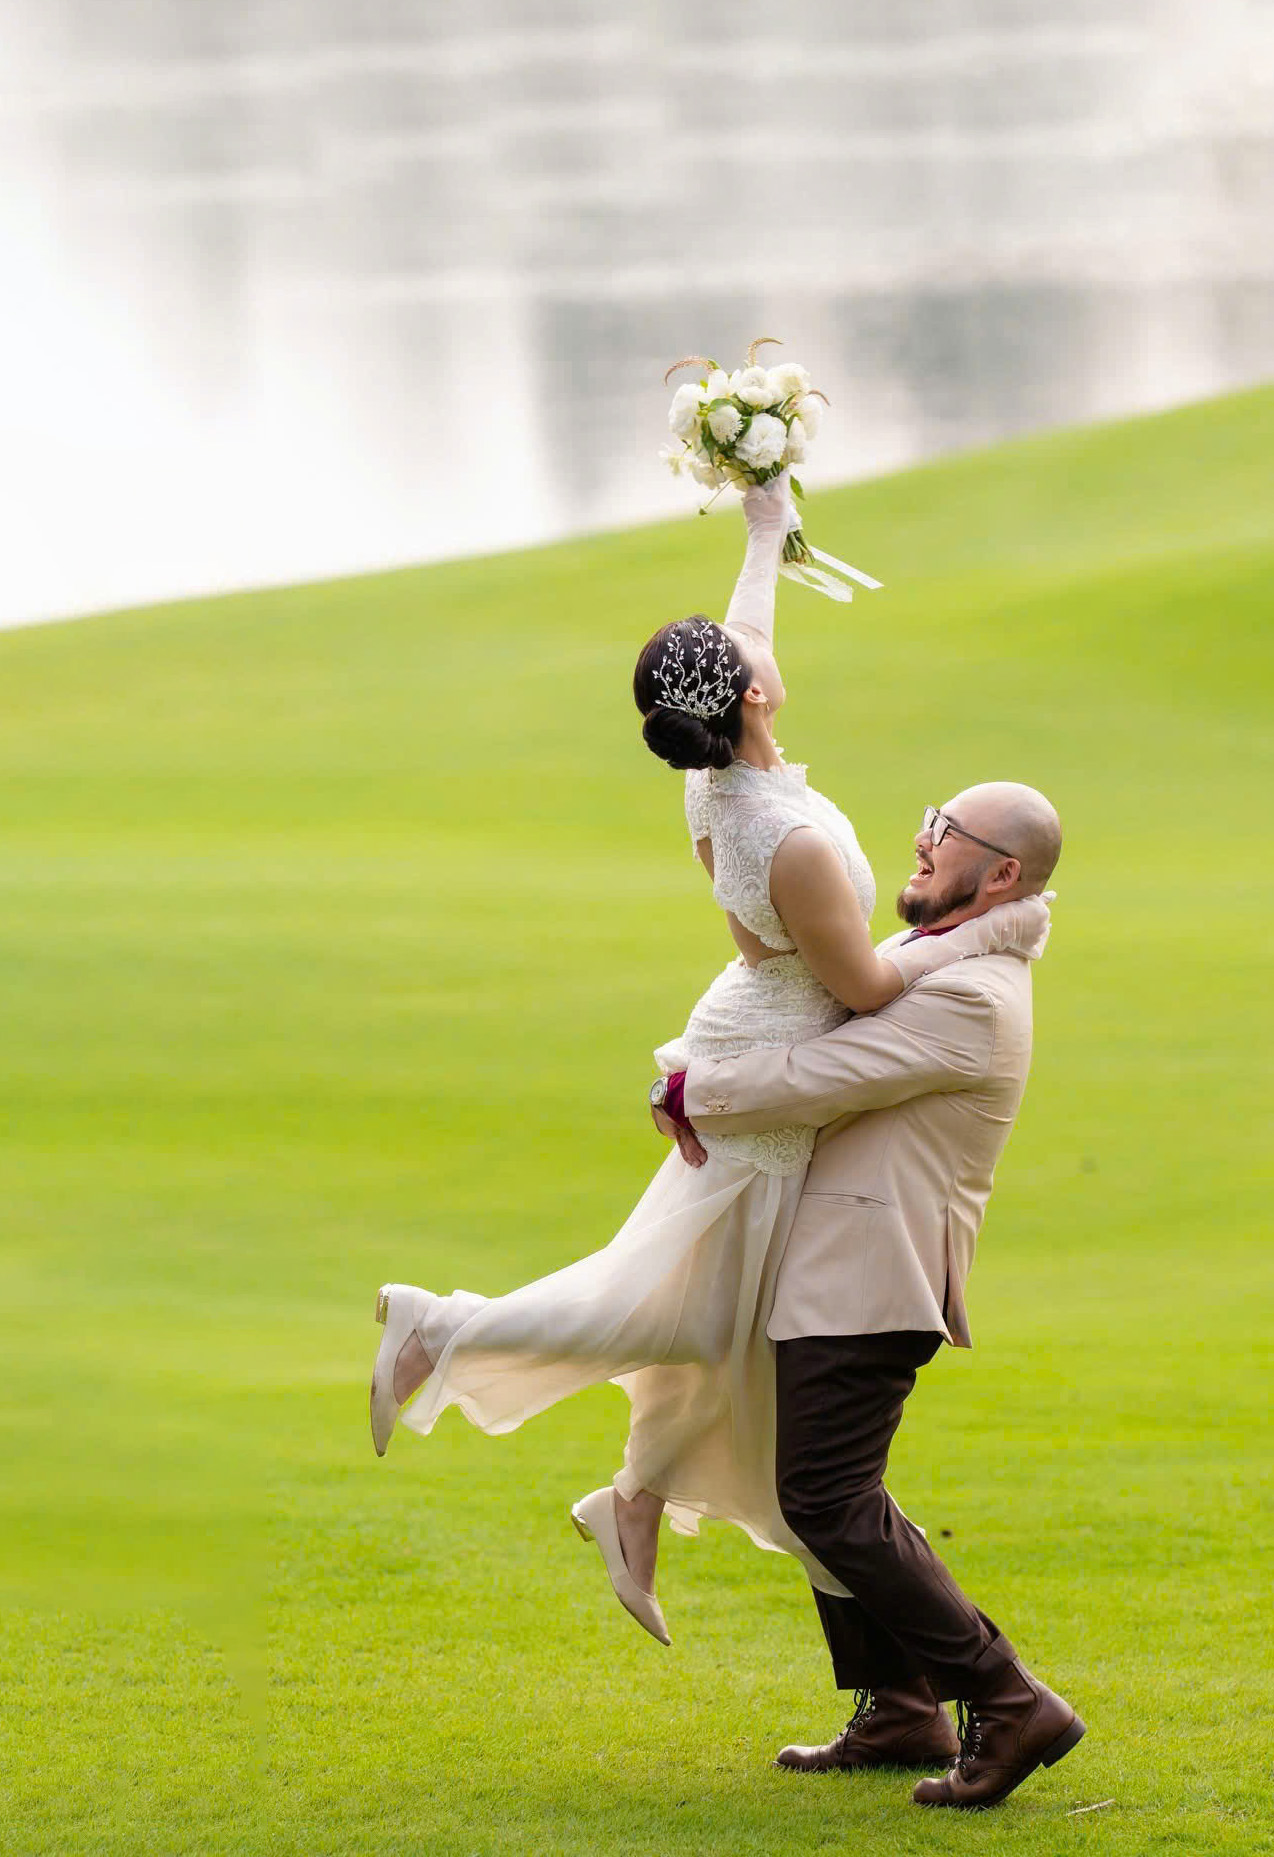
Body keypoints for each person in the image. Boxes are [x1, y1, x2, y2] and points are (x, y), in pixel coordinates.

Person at [366, 472, 1048, 1646]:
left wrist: (765, 526)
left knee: (718, 1323)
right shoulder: (788, 842)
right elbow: (866, 988)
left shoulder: (715, 780)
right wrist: (978, 945)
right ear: (750, 698)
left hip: (748, 1015)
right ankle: (447, 1332)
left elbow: (748, 628)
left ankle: (632, 1501)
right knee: (672, 1303)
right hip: (768, 1055)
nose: (765, 652)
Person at [651, 777, 1083, 1811]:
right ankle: (899, 1707)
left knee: (827, 1500)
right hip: (835, 1269)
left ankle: (1009, 1699)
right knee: (824, 1497)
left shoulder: (972, 997)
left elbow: (819, 1074)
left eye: (947, 833)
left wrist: (688, 1084)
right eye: (931, 820)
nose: (923, 840)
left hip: (870, 1277)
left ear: (1003, 874)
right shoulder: (933, 963)